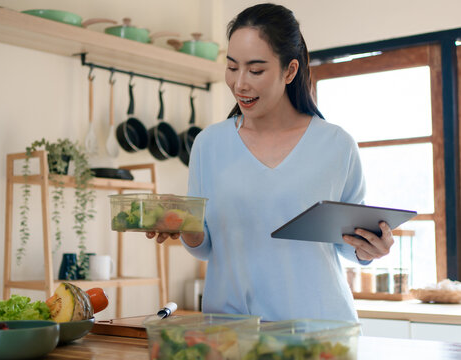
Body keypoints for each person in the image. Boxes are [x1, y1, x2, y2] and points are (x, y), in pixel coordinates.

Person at [147, 3, 393, 322]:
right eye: (232, 67)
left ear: (290, 71)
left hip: (319, 332)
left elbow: (350, 245)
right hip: (232, 331)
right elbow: (206, 247)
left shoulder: (336, 144)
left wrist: (371, 246)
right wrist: (184, 226)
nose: (240, 84)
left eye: (256, 70)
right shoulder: (209, 144)